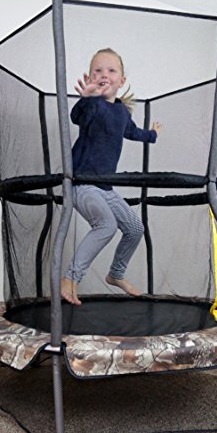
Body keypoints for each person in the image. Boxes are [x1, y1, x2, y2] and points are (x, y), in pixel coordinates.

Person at [61, 48, 162, 305]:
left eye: (111, 70)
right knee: (106, 225)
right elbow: (78, 117)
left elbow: (133, 132)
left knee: (135, 228)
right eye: (98, 70)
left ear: (122, 80)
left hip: (105, 188)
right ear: (90, 77)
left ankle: (116, 274)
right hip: (82, 184)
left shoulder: (121, 112)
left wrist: (152, 134)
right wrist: (87, 98)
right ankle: (70, 278)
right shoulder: (93, 105)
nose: (104, 74)